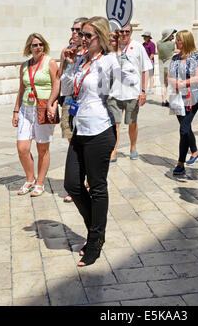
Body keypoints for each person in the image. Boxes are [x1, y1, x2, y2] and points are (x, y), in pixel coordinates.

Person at [57, 16, 120, 267]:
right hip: (79, 129)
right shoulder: (81, 61)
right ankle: (94, 229)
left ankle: (95, 240)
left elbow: (122, 89)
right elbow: (65, 90)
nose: (81, 39)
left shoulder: (109, 61)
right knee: (72, 184)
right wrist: (70, 66)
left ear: (100, 38)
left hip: (100, 130)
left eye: (87, 35)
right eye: (80, 34)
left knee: (97, 186)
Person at [12, 33, 59, 197]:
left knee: (42, 148)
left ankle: (40, 182)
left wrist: (52, 105)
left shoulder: (50, 62)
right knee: (22, 148)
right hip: (26, 109)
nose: (38, 47)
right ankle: (30, 179)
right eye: (34, 45)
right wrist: (16, 110)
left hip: (43, 108)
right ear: (29, 48)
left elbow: (56, 85)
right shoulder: (25, 65)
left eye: (40, 44)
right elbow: (22, 88)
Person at [48, 17, 88, 203]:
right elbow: (59, 77)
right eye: (72, 29)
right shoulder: (67, 51)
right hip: (69, 101)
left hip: (85, 103)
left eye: (78, 30)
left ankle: (82, 181)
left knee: (83, 142)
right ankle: (78, 181)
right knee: (72, 140)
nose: (74, 33)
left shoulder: (91, 54)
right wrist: (52, 100)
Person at [107, 24, 152, 162]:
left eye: (127, 31)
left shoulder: (138, 47)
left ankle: (133, 147)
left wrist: (143, 91)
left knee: (132, 122)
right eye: (122, 31)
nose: (124, 34)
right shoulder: (112, 48)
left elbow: (145, 69)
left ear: (131, 33)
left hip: (133, 92)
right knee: (115, 123)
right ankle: (113, 150)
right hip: (114, 92)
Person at [168, 30, 198, 176]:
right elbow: (169, 77)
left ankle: (180, 163)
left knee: (183, 129)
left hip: (192, 97)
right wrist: (176, 82)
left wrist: (184, 82)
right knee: (186, 127)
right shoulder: (175, 58)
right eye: (176, 40)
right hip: (176, 97)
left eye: (179, 40)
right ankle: (194, 152)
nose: (176, 42)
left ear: (186, 41)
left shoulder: (197, 57)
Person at [157, 28, 177, 106]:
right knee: (172, 84)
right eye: (171, 34)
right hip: (169, 66)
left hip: (161, 66)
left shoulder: (158, 43)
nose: (173, 35)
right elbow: (175, 50)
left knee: (163, 84)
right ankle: (173, 101)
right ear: (167, 35)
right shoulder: (171, 44)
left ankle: (163, 101)